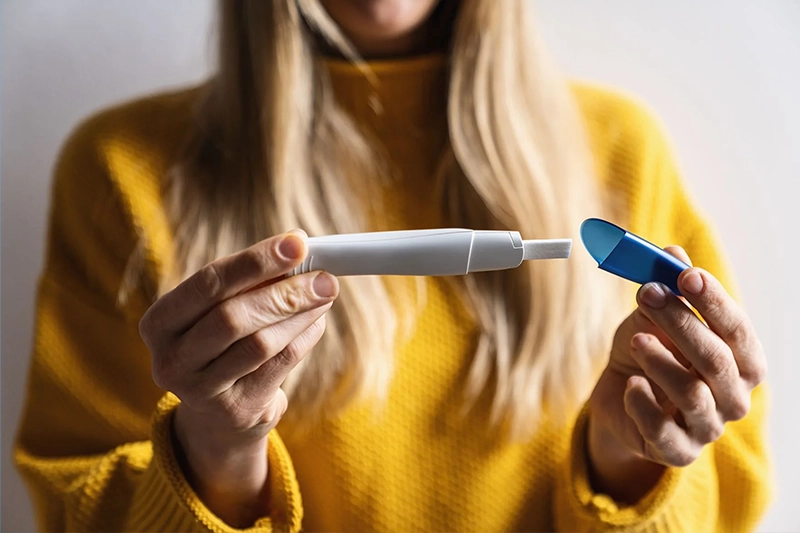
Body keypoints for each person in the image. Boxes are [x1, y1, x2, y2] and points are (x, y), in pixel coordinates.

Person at [14, 1, 772, 531]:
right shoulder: (123, 173)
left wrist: (626, 455)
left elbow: (729, 498)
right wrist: (213, 449)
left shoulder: (620, 152)